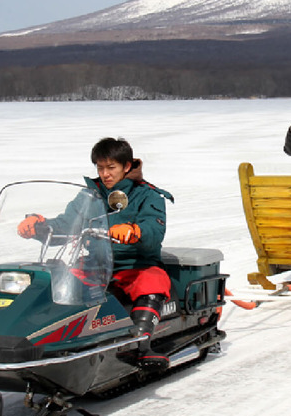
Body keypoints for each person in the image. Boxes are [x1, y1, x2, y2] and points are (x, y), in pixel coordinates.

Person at [17, 137, 174, 370]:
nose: (105, 174)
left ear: (127, 166)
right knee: (55, 283)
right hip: (96, 264)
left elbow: (154, 229)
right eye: (100, 168)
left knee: (153, 282)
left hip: (134, 264)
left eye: (111, 167)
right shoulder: (91, 195)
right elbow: (67, 223)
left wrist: (134, 231)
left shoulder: (148, 195)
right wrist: (39, 226)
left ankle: (140, 346)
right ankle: (37, 338)